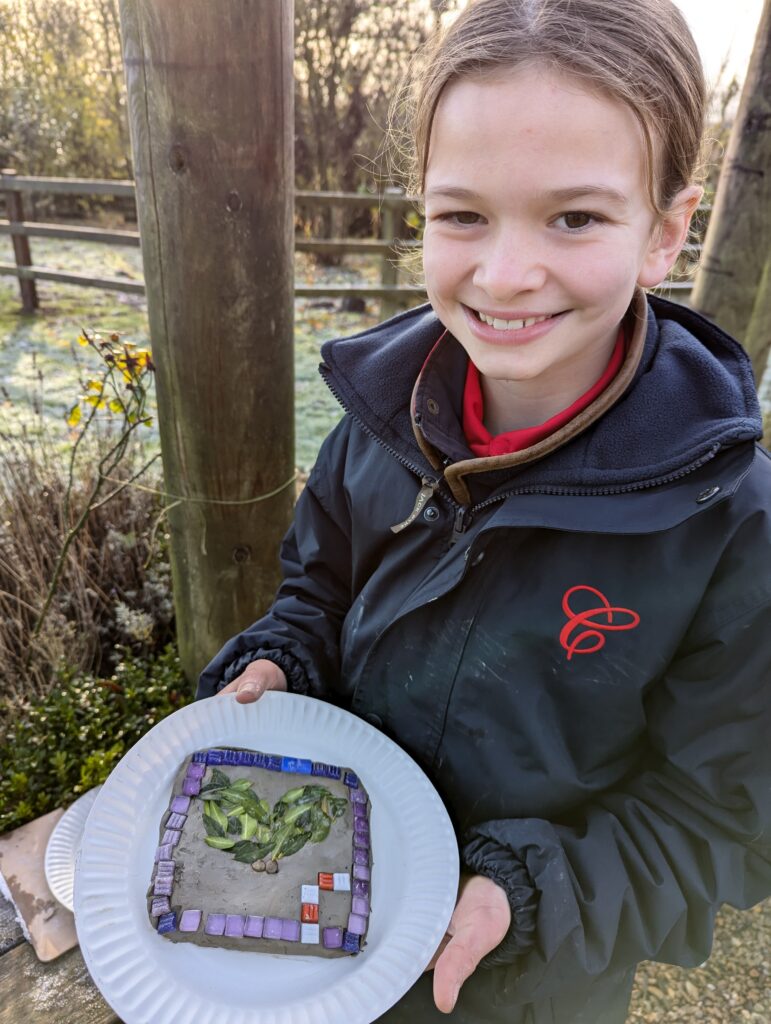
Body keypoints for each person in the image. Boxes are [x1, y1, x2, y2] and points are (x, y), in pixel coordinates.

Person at [197, 1, 771, 1020]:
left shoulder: (730, 525)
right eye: (463, 215)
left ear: (666, 232)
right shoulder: (377, 420)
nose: (506, 275)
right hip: (319, 907)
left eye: (577, 217)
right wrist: (283, 657)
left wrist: (526, 893)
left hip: (533, 980)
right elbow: (319, 589)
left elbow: (721, 818)